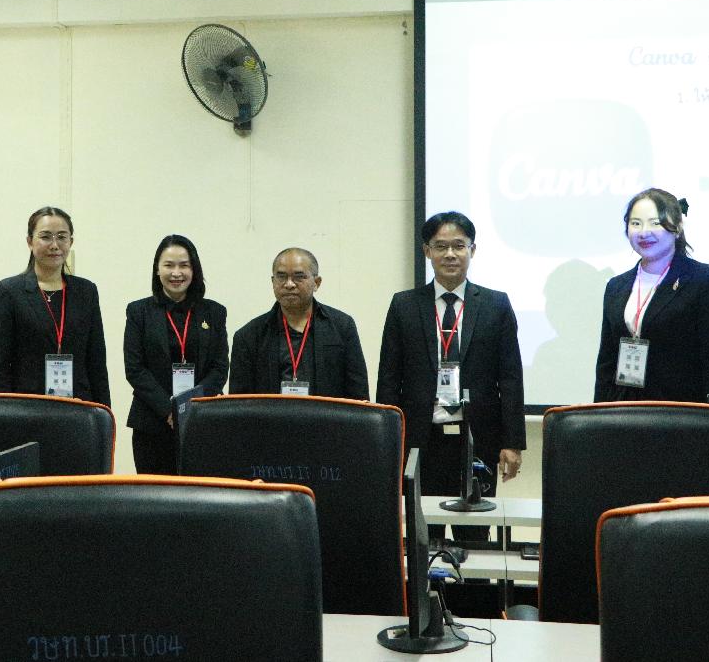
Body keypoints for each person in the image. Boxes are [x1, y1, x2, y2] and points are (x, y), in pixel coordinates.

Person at [376, 211, 526, 542]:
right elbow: (388, 378)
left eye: (459, 245)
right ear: (427, 251)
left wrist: (512, 442)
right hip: (420, 441)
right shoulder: (404, 306)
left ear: (473, 250)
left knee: (473, 535)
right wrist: (387, 442)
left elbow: (511, 377)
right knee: (421, 535)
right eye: (441, 246)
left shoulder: (496, 305)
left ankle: (470, 579)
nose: (450, 254)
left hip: (477, 440)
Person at [595, 188, 709, 403]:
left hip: (681, 410)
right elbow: (606, 363)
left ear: (677, 228)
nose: (644, 232)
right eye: (636, 223)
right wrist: (600, 414)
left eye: (655, 223)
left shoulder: (704, 280)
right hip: (625, 408)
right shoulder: (616, 286)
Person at [123, 235, 229, 474]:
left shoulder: (214, 312)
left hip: (201, 421)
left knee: (199, 492)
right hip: (152, 423)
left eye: (184, 265)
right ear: (157, 269)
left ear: (194, 269)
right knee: (155, 493)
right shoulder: (138, 311)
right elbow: (135, 369)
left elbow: (220, 367)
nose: (176, 273)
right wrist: (169, 410)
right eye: (169, 265)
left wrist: (192, 408)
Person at [0, 207, 110, 406]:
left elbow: (96, 362)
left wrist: (105, 413)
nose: (54, 245)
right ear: (29, 241)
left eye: (62, 237)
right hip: (26, 407)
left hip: (78, 406)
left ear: (71, 242)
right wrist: (3, 413)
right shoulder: (9, 291)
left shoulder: (86, 291)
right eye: (45, 237)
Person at [229, 247, 368, 399]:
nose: (289, 284)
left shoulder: (342, 327)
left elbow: (358, 394)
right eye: (281, 277)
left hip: (327, 415)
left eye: (298, 277)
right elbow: (239, 404)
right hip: (271, 415)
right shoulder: (248, 336)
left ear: (317, 283)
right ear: (273, 282)